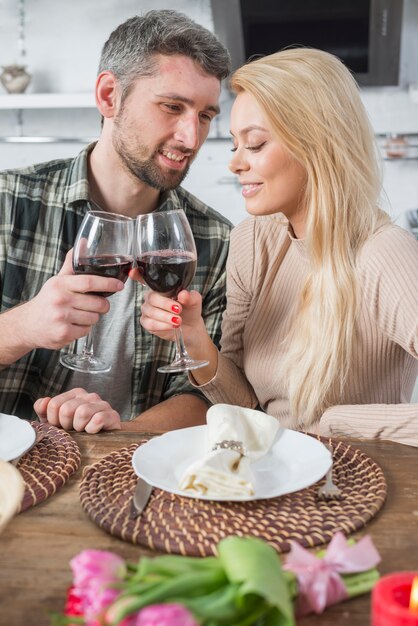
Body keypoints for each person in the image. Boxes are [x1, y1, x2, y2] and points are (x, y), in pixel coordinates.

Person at [140, 47, 418, 447]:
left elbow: (326, 426)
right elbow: (245, 405)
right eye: (235, 145)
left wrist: (337, 424)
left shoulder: (384, 254)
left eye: (254, 145)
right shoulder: (253, 241)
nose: (235, 164)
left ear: (317, 145)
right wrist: (195, 337)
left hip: (356, 486)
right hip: (271, 476)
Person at [0, 10, 232, 432]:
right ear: (109, 96)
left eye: (205, 115)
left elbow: (204, 397)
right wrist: (24, 326)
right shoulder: (8, 203)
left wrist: (115, 433)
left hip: (136, 470)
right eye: (172, 107)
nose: (191, 138)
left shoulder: (215, 239)